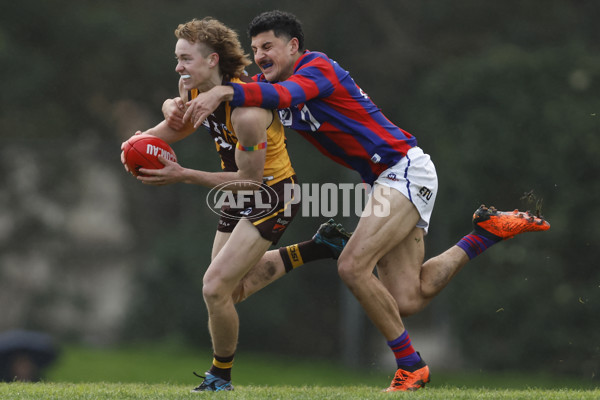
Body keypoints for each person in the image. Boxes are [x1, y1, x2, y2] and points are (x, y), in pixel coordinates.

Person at [163, 10, 551, 392]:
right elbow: (244, 98)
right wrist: (178, 102)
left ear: (294, 46)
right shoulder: (266, 86)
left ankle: (411, 367)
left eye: (269, 46)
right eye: (255, 48)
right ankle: (485, 233)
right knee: (407, 297)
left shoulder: (318, 68)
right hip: (383, 181)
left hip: (403, 170)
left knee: (351, 266)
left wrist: (223, 91)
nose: (260, 55)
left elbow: (281, 95)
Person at [122, 17, 351, 392]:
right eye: (177, 59)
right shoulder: (193, 88)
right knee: (230, 291)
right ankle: (318, 248)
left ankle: (220, 377)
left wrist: (183, 174)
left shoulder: (247, 113)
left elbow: (252, 181)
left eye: (185, 59)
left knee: (214, 288)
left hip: (272, 196)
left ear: (213, 60)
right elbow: (178, 126)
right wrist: (137, 143)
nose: (178, 67)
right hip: (237, 192)